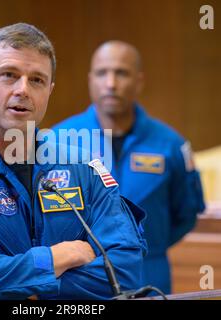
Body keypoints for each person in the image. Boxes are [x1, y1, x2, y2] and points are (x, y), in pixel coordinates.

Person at [0, 24, 147, 300]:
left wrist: (31, 290)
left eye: (37, 80)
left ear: (49, 90)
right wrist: (53, 259)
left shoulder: (85, 167)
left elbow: (125, 272)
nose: (23, 90)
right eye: (9, 75)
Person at [53, 41, 205, 294]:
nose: (111, 84)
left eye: (121, 73)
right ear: (91, 79)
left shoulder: (171, 145)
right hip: (79, 280)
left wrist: (144, 246)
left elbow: (187, 213)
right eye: (102, 73)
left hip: (149, 276)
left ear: (139, 80)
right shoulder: (58, 141)